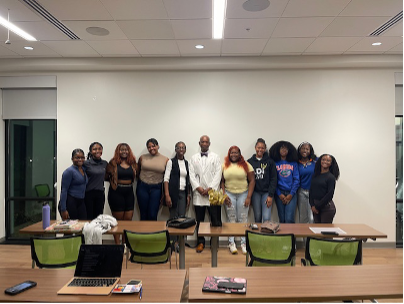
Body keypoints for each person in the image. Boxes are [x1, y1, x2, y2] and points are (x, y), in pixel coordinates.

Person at [189, 135, 222, 253]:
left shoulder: (216, 157)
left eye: (206, 142)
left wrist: (209, 189)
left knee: (215, 220)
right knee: (200, 221)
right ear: (199, 143)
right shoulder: (193, 158)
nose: (204, 143)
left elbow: (218, 174)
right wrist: (198, 188)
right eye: (202, 141)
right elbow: (191, 175)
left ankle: (214, 244)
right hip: (199, 195)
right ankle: (200, 242)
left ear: (209, 144)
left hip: (212, 194)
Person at [222, 146, 255, 255]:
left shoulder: (246, 165)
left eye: (236, 153)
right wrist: (224, 195)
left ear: (239, 154)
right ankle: (231, 243)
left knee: (243, 219)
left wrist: (248, 197)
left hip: (243, 194)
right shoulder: (224, 165)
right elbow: (221, 181)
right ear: (229, 153)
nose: (234, 155)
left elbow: (252, 181)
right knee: (231, 219)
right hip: (229, 194)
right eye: (232, 153)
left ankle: (243, 243)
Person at [106, 143, 137, 244]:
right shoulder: (113, 163)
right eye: (122, 150)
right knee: (117, 221)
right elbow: (106, 176)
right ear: (118, 151)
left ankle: (124, 244)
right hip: (116, 192)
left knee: (128, 220)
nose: (124, 152)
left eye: (126, 150)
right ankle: (117, 244)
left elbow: (138, 174)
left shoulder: (132, 162)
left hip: (129, 192)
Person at [164, 141, 191, 251]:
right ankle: (172, 243)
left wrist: (188, 195)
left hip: (183, 193)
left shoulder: (186, 163)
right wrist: (167, 195)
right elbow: (166, 179)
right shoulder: (171, 162)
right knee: (173, 219)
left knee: (182, 218)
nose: (181, 149)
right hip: (173, 193)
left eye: (183, 147)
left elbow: (188, 179)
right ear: (175, 150)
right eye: (178, 147)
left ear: (185, 150)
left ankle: (180, 243)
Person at [136, 138, 168, 221]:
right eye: (149, 147)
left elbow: (166, 177)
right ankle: (143, 233)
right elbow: (137, 171)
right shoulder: (142, 158)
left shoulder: (165, 159)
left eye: (153, 146)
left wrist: (165, 193)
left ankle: (152, 233)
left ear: (157, 146)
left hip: (156, 188)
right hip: (142, 187)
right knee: (143, 213)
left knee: (153, 214)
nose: (151, 149)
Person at [269, 141, 300, 224]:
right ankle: (283, 237)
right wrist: (279, 194)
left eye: (286, 148)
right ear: (278, 150)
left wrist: (291, 194)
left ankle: (291, 236)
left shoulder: (293, 163)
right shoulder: (274, 163)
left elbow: (296, 180)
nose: (284, 150)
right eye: (282, 148)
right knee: (282, 219)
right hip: (279, 194)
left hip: (291, 193)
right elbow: (273, 180)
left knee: (289, 219)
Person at [248, 138, 277, 223]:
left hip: (267, 193)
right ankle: (258, 236)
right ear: (255, 148)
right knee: (257, 217)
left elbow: (273, 179)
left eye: (262, 148)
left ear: (265, 149)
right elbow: (248, 180)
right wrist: (248, 196)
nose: (260, 150)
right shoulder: (249, 162)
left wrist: (270, 195)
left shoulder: (270, 162)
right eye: (258, 147)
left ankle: (266, 235)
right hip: (255, 193)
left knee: (266, 217)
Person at [309, 154, 340, 223]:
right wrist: (312, 205)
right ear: (320, 161)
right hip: (315, 206)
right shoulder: (315, 175)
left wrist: (317, 207)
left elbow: (329, 195)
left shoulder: (331, 177)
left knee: (325, 231)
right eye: (323, 160)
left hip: (326, 208)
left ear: (331, 163)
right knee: (316, 230)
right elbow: (311, 191)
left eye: (328, 160)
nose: (325, 162)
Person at [59, 149, 88, 220]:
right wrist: (63, 209)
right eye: (77, 157)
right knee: (70, 227)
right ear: (72, 159)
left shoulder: (83, 170)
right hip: (70, 202)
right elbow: (64, 191)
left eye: (82, 157)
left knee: (83, 225)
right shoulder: (69, 171)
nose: (80, 159)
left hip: (80, 201)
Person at [83, 142, 108, 220]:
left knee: (99, 218)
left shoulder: (105, 163)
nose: (97, 151)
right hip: (88, 194)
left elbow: (107, 176)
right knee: (89, 218)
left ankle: (98, 232)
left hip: (100, 193)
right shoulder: (86, 163)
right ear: (91, 151)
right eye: (94, 149)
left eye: (99, 149)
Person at [297, 142, 317, 224]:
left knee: (311, 218)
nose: (305, 150)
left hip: (313, 192)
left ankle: (311, 236)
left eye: (307, 149)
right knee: (303, 217)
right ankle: (304, 237)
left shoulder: (315, 162)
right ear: (299, 150)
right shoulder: (296, 163)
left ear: (310, 151)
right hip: (301, 192)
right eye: (303, 148)